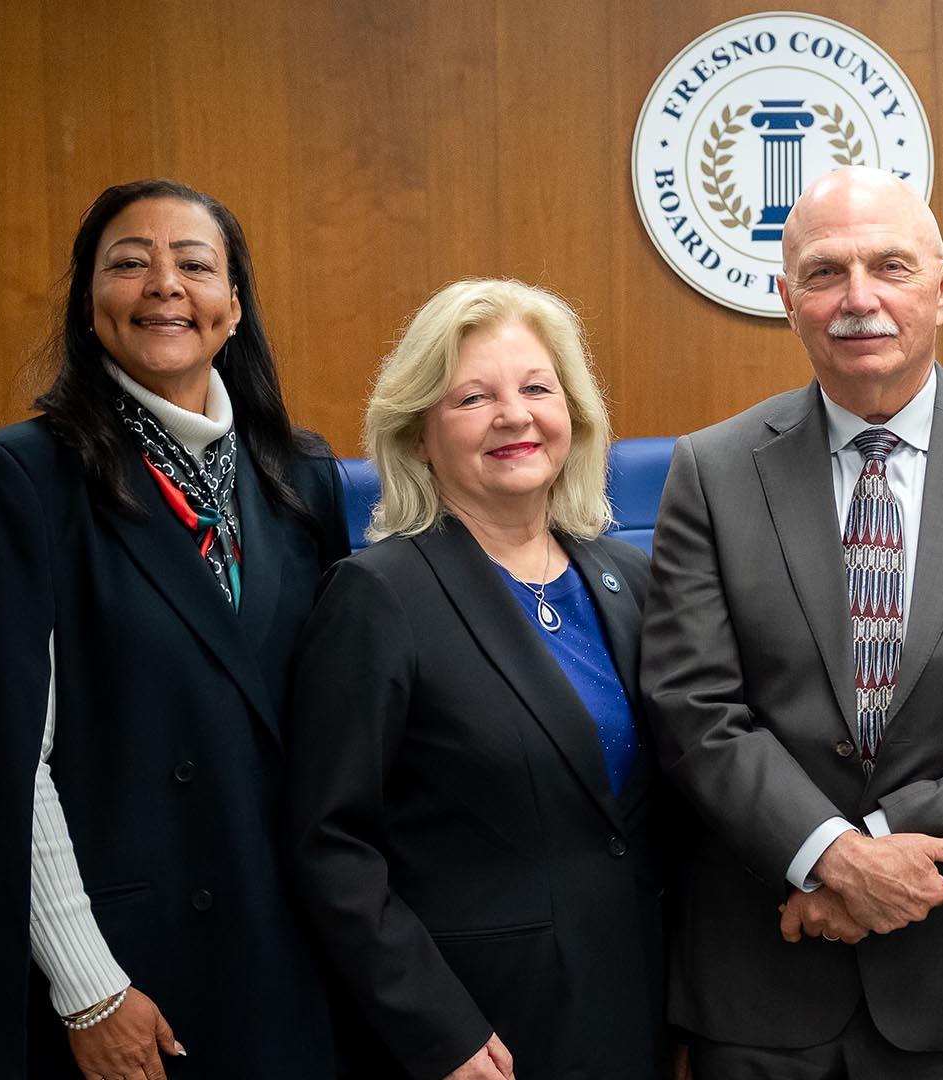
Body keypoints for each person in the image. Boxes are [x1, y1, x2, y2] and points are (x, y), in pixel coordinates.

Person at [640, 165, 943, 1078]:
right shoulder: (711, 469)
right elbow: (693, 705)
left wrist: (877, 859)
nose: (859, 299)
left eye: (891, 266)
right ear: (787, 300)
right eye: (825, 273)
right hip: (763, 973)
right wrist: (825, 856)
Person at [0, 178, 348, 1077]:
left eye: (195, 265)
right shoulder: (22, 478)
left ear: (233, 309)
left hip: (288, 948)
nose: (165, 284)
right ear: (91, 308)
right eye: (129, 263)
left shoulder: (301, 476)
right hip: (126, 965)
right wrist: (89, 988)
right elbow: (5, 762)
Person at [282, 278, 665, 1080]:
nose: (515, 416)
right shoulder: (379, 595)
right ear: (420, 434)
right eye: (472, 398)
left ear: (575, 413)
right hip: (482, 1035)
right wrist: (436, 1029)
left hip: (642, 1013)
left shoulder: (633, 578)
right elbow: (330, 844)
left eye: (536, 387)